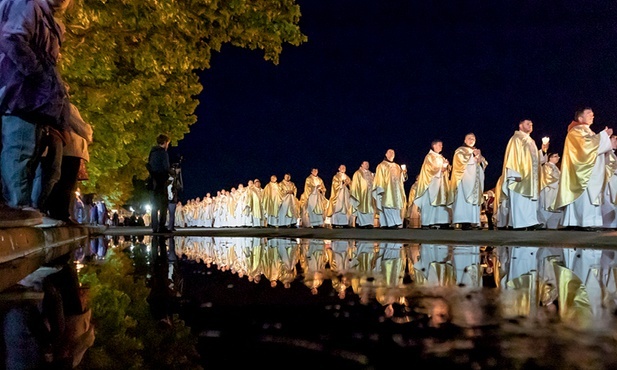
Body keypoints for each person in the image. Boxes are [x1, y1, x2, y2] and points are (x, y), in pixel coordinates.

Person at [0, 0, 73, 227]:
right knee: (20, 152)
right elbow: (13, 39)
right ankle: (16, 210)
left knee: (27, 154)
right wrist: (39, 76)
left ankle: (19, 210)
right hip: (20, 99)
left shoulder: (47, 18)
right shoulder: (29, 5)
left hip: (32, 104)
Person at [553, 108, 614, 231]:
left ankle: (579, 222)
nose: (592, 115)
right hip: (582, 172)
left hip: (591, 171)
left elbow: (595, 146)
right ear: (580, 118)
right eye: (588, 114)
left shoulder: (588, 131)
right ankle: (582, 222)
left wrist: (605, 139)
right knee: (584, 197)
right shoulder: (576, 131)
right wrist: (604, 136)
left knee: (589, 197)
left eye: (593, 114)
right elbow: (586, 147)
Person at [494, 119, 549, 230]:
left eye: (531, 124)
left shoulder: (531, 141)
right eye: (527, 124)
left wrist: (543, 150)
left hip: (530, 177)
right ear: (520, 125)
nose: (530, 126)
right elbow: (512, 157)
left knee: (529, 201)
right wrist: (513, 175)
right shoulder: (516, 139)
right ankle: (520, 224)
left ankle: (530, 221)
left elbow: (536, 160)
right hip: (520, 175)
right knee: (520, 199)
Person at [44, 103, 92, 224]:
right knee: (66, 182)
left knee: (63, 181)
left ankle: (59, 212)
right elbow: (81, 127)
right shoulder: (66, 105)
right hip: (72, 148)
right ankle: (60, 213)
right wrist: (89, 131)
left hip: (69, 147)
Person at [449, 133, 487, 230]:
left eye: (473, 138)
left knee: (474, 201)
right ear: (465, 140)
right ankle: (464, 222)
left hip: (475, 182)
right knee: (464, 201)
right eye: (469, 138)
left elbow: (484, 163)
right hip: (464, 180)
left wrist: (480, 159)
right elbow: (459, 162)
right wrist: (473, 158)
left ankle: (474, 221)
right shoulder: (460, 150)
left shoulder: (476, 151)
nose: (471, 140)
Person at [413, 140, 451, 229]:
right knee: (429, 203)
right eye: (439, 145)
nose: (441, 146)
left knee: (441, 204)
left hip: (441, 185)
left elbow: (445, 170)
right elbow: (429, 169)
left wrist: (447, 166)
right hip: (431, 184)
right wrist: (440, 169)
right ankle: (426, 223)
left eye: (442, 145)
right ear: (434, 146)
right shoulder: (429, 157)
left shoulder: (441, 157)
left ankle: (442, 222)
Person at [372, 149, 407, 229]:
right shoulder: (382, 165)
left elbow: (401, 179)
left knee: (395, 206)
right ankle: (389, 223)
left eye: (393, 153)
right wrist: (380, 189)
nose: (391, 154)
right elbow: (379, 178)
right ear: (386, 154)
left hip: (396, 190)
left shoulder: (397, 166)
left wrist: (403, 173)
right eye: (389, 152)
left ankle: (395, 222)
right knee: (388, 205)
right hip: (387, 189)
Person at [146, 134, 172, 233]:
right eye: (168, 143)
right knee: (163, 204)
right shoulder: (163, 153)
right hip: (161, 179)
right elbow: (166, 167)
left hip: (153, 180)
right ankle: (162, 226)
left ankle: (154, 226)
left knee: (154, 204)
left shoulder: (152, 152)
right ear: (165, 142)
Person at [538, 152, 563, 229]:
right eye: (555, 156)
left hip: (556, 189)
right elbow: (548, 178)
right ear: (550, 158)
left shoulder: (555, 167)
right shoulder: (547, 166)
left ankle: (552, 225)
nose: (558, 158)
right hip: (549, 189)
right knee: (547, 207)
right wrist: (559, 181)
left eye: (558, 156)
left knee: (555, 209)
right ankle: (543, 223)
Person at [350, 161, 375, 228]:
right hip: (362, 194)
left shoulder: (370, 173)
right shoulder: (358, 173)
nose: (367, 165)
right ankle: (362, 223)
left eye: (368, 164)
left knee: (370, 208)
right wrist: (356, 193)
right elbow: (355, 184)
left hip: (370, 194)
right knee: (362, 207)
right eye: (365, 164)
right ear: (362, 165)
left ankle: (369, 223)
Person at [167, 160, 183, 231]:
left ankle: (171, 226)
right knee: (171, 213)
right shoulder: (172, 178)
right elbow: (171, 187)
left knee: (172, 213)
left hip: (173, 197)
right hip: (171, 197)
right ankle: (170, 226)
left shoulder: (173, 178)